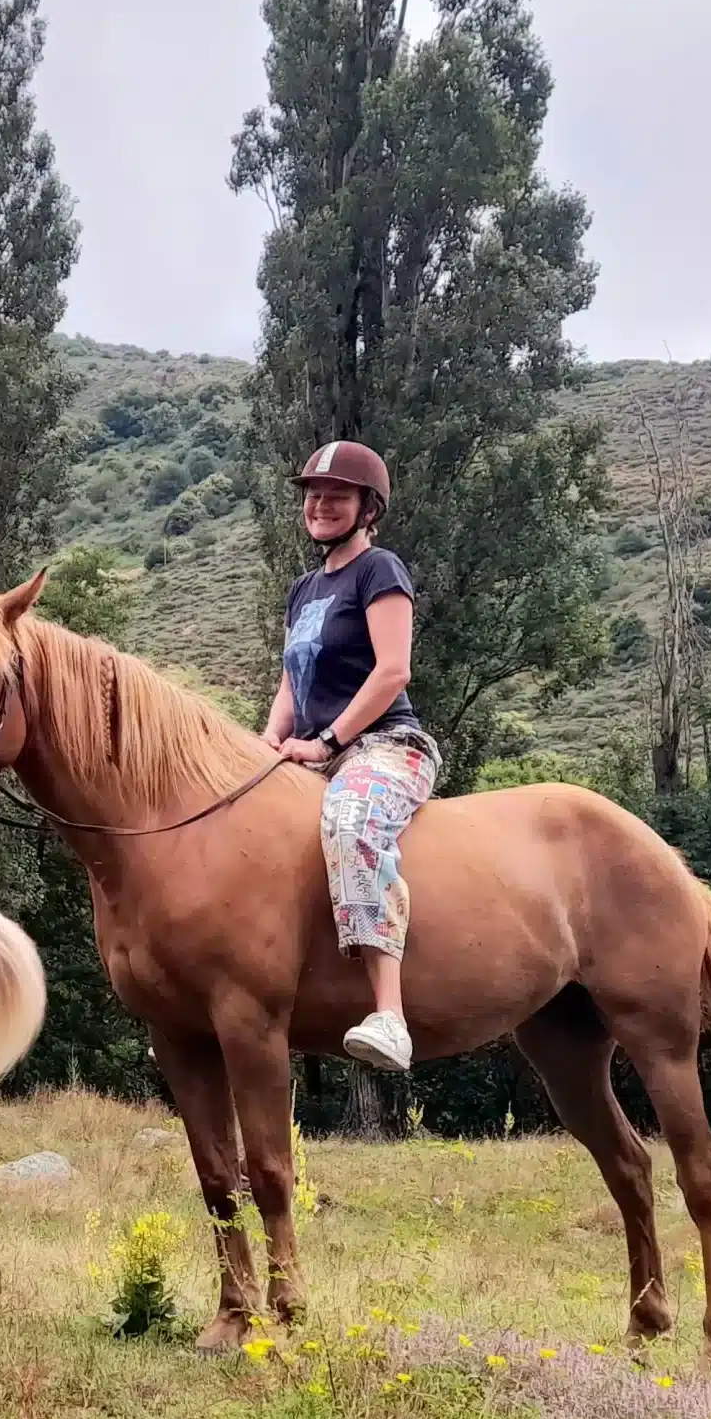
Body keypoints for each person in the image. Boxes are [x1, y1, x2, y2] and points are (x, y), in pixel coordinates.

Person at [261, 440, 441, 1073]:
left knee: (349, 821)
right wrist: (261, 747)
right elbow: (291, 683)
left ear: (369, 507)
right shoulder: (303, 590)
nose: (319, 504)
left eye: (336, 494)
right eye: (312, 494)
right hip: (313, 751)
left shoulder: (380, 571)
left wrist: (327, 741)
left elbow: (393, 672)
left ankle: (389, 1015)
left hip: (386, 746)